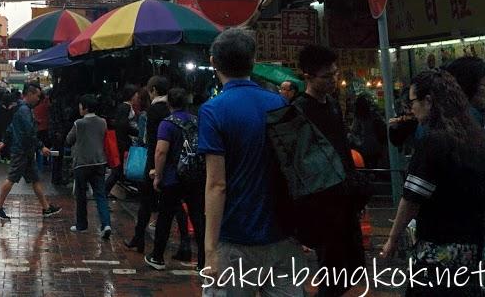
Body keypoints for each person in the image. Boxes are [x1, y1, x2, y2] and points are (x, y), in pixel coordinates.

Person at [198, 27, 302, 295]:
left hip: (234, 238)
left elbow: (216, 185)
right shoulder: (280, 103)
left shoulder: (213, 111)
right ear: (253, 60)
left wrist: (210, 251)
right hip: (283, 234)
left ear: (213, 62)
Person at [380, 69, 485, 296]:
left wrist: (391, 241)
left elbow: (411, 201)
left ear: (428, 101)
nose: (411, 108)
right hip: (473, 254)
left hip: (436, 255)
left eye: (413, 101)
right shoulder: (480, 142)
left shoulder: (433, 143)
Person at [295, 46, 365, 297]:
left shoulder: (333, 105)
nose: (333, 80)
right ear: (307, 76)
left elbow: (343, 148)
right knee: (334, 267)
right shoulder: (300, 110)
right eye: (327, 76)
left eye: (335, 74)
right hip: (322, 203)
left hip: (345, 197)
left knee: (353, 268)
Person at [145, 87, 205, 270]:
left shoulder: (167, 123)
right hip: (195, 176)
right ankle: (203, 261)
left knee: (165, 217)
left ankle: (157, 257)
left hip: (173, 177)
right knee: (198, 217)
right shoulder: (197, 121)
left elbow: (161, 151)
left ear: (169, 103)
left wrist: (158, 176)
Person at [0, 82, 62, 221]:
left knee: (35, 179)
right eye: (37, 96)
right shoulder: (24, 110)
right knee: (12, 178)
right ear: (30, 94)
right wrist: (41, 146)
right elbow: (29, 133)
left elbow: (11, 128)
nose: (38, 99)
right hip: (21, 151)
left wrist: (3, 143)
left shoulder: (22, 109)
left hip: (25, 151)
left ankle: (46, 207)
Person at [125, 75, 171, 252]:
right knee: (173, 207)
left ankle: (139, 239)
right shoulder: (170, 108)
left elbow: (149, 140)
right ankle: (182, 245)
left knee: (145, 203)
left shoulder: (153, 111)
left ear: (153, 90)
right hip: (171, 163)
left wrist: (153, 168)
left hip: (153, 162)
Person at [66, 93, 111, 238]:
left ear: (84, 108)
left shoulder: (79, 123)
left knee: (81, 195)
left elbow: (69, 139)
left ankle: (82, 225)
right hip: (99, 162)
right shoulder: (103, 122)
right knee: (100, 195)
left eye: (80, 106)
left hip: (82, 164)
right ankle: (106, 224)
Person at [106, 85, 138, 199]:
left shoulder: (122, 107)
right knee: (118, 170)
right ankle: (105, 191)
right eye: (135, 94)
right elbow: (124, 125)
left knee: (118, 169)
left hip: (119, 141)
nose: (137, 97)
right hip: (123, 142)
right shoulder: (126, 108)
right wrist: (137, 132)